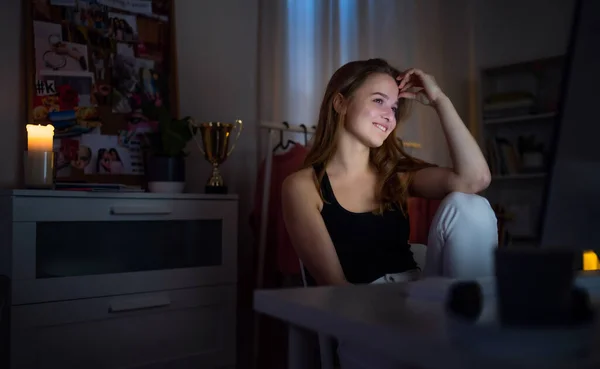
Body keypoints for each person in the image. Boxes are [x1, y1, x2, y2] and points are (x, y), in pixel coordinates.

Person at [281, 58, 498, 367]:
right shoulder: (302, 186)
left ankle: (474, 334)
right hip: (365, 314)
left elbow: (475, 179)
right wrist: (401, 320)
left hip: (424, 297)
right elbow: (337, 289)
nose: (389, 116)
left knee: (469, 204)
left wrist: (439, 101)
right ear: (340, 102)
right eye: (379, 101)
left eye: (394, 108)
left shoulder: (395, 173)